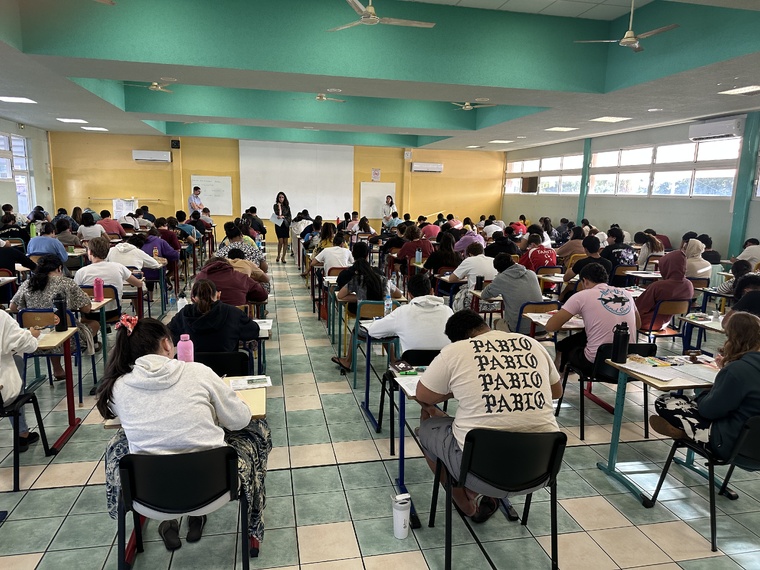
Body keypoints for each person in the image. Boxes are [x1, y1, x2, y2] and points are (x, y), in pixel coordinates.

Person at [97, 316, 271, 556]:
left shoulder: (118, 387)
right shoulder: (197, 372)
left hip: (148, 493)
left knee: (119, 443)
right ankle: (243, 521)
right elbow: (239, 420)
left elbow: (122, 414)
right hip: (214, 486)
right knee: (256, 429)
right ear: (167, 344)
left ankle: (167, 521)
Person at [415, 310, 562, 522]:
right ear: (484, 326)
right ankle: (482, 492)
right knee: (492, 430)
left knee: (426, 430)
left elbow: (423, 395)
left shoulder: (456, 350)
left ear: (460, 339)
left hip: (479, 474)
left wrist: (459, 388)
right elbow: (556, 392)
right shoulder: (531, 343)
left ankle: (463, 501)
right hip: (542, 470)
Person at [649, 312, 760, 466]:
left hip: (731, 446)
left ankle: (687, 434)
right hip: (754, 446)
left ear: (734, 339)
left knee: (666, 401)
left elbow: (709, 411)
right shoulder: (742, 367)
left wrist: (706, 393)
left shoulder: (737, 370)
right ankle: (690, 432)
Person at [10, 254, 100, 378]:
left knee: (51, 327)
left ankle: (57, 369)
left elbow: (13, 308)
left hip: (34, 339)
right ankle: (90, 356)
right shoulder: (67, 283)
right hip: (67, 340)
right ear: (59, 268)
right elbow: (86, 308)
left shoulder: (28, 283)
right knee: (94, 324)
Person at [547, 263, 640, 374]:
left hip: (597, 363)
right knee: (581, 338)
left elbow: (551, 327)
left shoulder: (581, 296)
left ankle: (558, 379)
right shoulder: (626, 294)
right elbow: (638, 325)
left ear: (585, 281)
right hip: (628, 361)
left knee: (564, 347)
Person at [333, 242, 403, 371]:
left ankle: (348, 361)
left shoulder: (357, 279)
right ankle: (394, 360)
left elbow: (341, 295)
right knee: (383, 327)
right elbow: (398, 294)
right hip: (387, 327)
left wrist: (361, 298)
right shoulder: (383, 279)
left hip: (364, 330)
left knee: (356, 330)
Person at [363, 273, 453, 357]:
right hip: (444, 364)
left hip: (412, 366)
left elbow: (373, 331)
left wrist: (394, 331)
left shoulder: (402, 312)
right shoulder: (448, 311)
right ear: (432, 291)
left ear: (409, 295)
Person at [168, 279, 261, 352]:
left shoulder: (184, 314)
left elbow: (168, 335)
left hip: (194, 368)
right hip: (228, 367)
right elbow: (253, 331)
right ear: (218, 295)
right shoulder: (232, 312)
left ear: (193, 298)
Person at [0, 309, 41, 452]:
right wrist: (31, 334)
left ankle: (22, 432)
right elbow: (29, 345)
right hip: (3, 395)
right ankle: (22, 433)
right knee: (17, 360)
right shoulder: (1, 317)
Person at [74, 236, 143, 317]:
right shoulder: (119, 267)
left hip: (90, 314)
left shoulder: (81, 272)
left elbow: (74, 293)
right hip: (113, 312)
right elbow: (139, 284)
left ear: (90, 252)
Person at [481, 253, 543, 334]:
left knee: (497, 321)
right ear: (513, 262)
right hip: (541, 326)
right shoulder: (532, 273)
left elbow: (484, 295)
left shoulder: (502, 278)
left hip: (519, 329)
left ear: (498, 270)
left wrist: (499, 276)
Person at [635, 249, 694, 331]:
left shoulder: (658, 286)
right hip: (665, 323)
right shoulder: (689, 285)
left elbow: (638, 307)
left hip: (646, 323)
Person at [196, 258, 267, 307]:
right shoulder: (240, 277)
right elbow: (262, 295)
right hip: (237, 320)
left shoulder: (200, 277)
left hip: (207, 320)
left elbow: (194, 297)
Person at [451, 243, 498, 312]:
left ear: (470, 254)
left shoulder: (469, 260)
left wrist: (463, 276)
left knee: (458, 294)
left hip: (476, 301)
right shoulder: (493, 260)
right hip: (495, 302)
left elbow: (452, 279)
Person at [273, 191, 291, 263]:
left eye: (282, 197)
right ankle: (278, 255)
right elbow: (278, 214)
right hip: (278, 225)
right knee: (280, 241)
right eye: (280, 197)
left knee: (285, 241)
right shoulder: (275, 206)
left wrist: (283, 216)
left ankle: (283, 257)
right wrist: (279, 207)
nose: (281, 199)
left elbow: (289, 216)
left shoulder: (287, 207)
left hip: (285, 224)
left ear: (284, 198)